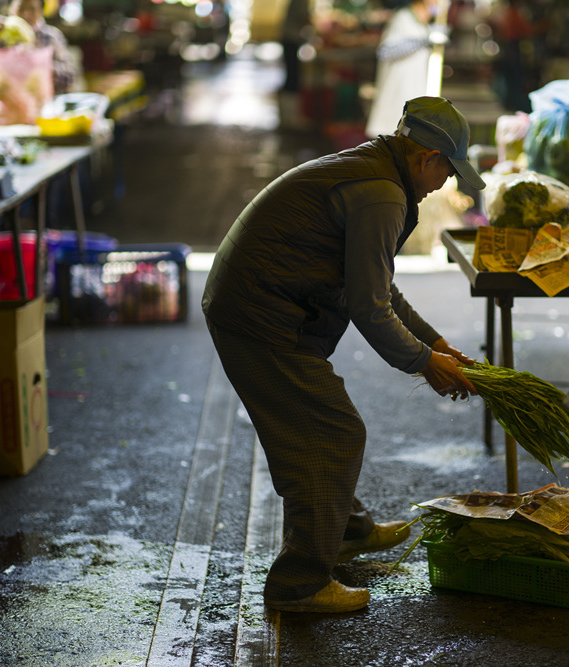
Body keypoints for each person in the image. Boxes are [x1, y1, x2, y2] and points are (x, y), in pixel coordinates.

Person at [202, 96, 483, 613]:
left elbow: (379, 287)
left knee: (319, 428)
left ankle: (347, 533)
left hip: (263, 303)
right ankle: (299, 584)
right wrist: (423, 361)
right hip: (260, 314)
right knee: (332, 430)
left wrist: (437, 344)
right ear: (427, 158)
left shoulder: (377, 171)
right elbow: (370, 308)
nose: (447, 182)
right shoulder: (382, 194)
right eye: (448, 169)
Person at [364, 0, 440, 139]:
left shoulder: (423, 25)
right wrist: (424, 40)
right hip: (395, 101)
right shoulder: (402, 18)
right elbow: (386, 52)